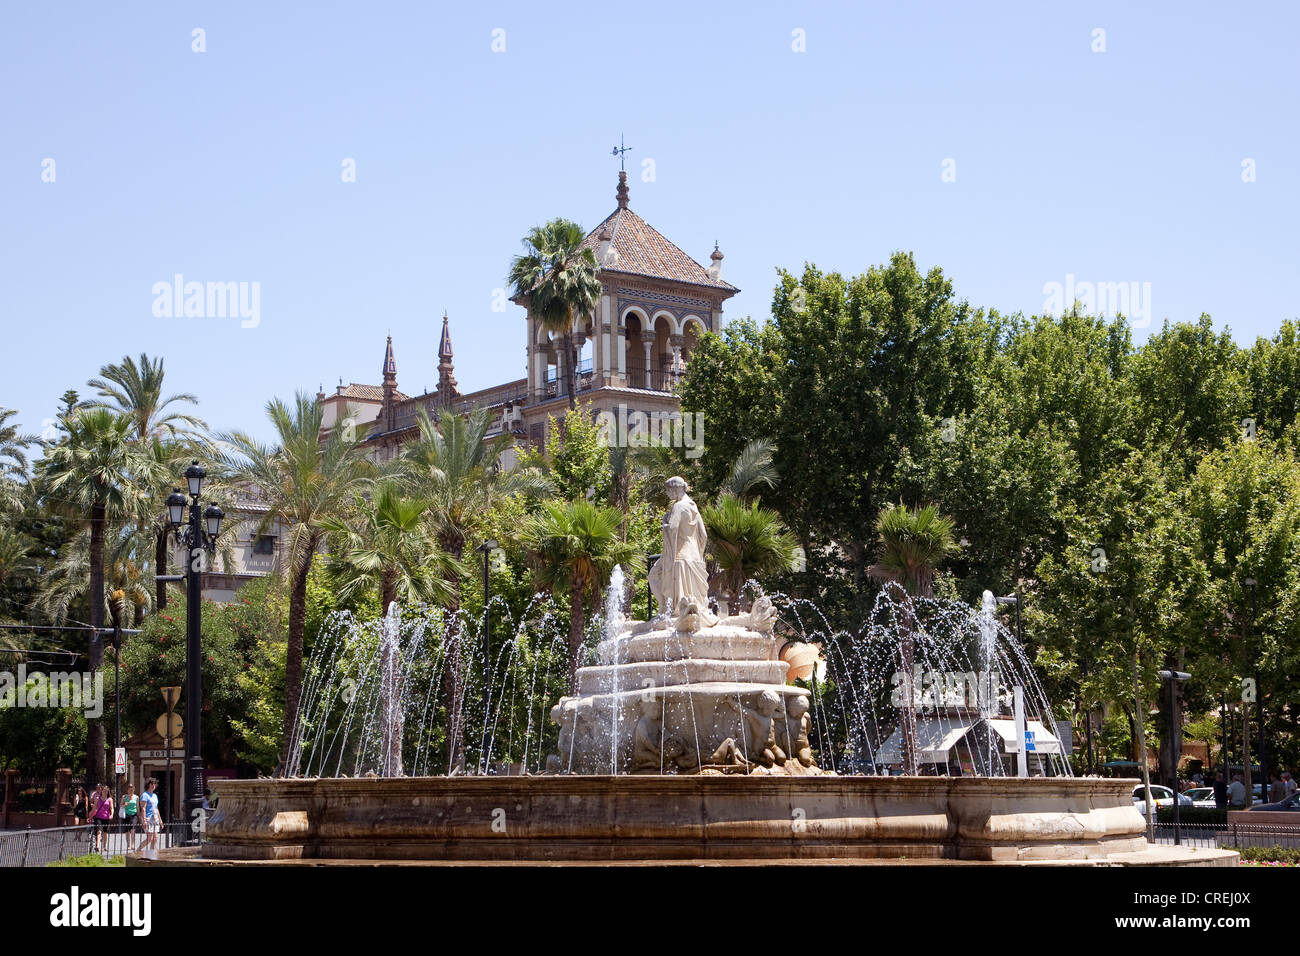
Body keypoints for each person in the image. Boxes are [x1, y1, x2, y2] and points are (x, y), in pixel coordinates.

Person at [136, 778, 161, 855]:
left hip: (155, 817)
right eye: (151, 784)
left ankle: (151, 854)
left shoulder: (155, 796)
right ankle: (138, 851)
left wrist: (160, 820)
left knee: (155, 838)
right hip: (148, 818)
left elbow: (156, 808)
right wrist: (144, 820)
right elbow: (143, 808)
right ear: (148, 785)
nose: (153, 785)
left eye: (154, 784)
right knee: (149, 839)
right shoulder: (145, 795)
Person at [91, 784, 113, 853]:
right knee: (99, 831)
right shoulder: (97, 798)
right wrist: (90, 816)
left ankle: (104, 847)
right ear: (101, 791)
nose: (105, 792)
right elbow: (94, 808)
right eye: (104, 790)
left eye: (106, 791)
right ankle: (97, 846)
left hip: (106, 817)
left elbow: (111, 808)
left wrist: (111, 814)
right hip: (98, 817)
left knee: (105, 833)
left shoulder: (110, 799)